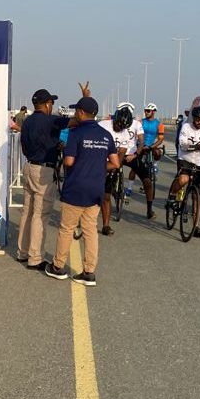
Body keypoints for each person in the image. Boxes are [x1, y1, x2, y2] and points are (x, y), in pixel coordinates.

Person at [44, 97, 119, 286]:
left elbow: (69, 161)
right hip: (96, 188)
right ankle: (89, 272)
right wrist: (98, 166)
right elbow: (115, 163)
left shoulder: (76, 133)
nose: (75, 113)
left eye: (76, 110)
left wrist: (79, 162)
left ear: (81, 112)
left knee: (67, 228)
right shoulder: (106, 135)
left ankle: (58, 266)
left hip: (76, 187)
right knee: (90, 230)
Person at [16, 85, 88, 269]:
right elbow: (78, 121)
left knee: (27, 212)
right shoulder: (52, 121)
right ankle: (35, 258)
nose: (52, 106)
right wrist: (85, 99)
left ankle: (22, 252)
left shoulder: (27, 121)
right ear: (47, 104)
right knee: (40, 214)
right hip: (44, 170)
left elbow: (24, 148)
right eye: (52, 103)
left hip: (29, 166)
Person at [166, 106, 200, 237]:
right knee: (183, 179)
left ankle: (196, 226)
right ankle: (172, 195)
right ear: (193, 118)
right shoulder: (186, 127)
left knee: (197, 197)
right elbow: (182, 145)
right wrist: (199, 146)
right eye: (197, 119)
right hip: (185, 159)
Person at [98, 103, 144, 235]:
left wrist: (114, 167)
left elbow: (122, 152)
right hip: (98, 160)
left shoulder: (125, 133)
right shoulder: (102, 125)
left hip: (111, 162)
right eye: (118, 125)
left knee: (106, 196)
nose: (120, 128)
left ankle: (106, 226)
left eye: (123, 127)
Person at [128, 103, 165, 219]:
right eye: (145, 110)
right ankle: (129, 188)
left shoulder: (159, 124)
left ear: (154, 111)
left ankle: (155, 165)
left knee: (158, 153)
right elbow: (135, 135)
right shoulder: (141, 122)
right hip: (140, 146)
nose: (146, 112)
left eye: (148, 110)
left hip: (151, 146)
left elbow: (161, 139)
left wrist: (153, 146)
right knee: (135, 168)